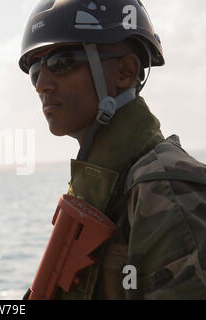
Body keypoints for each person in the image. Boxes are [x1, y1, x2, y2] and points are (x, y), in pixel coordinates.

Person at [19, 0, 206, 299]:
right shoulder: (102, 183)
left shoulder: (165, 187)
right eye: (35, 71)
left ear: (125, 71)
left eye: (61, 62)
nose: (42, 84)